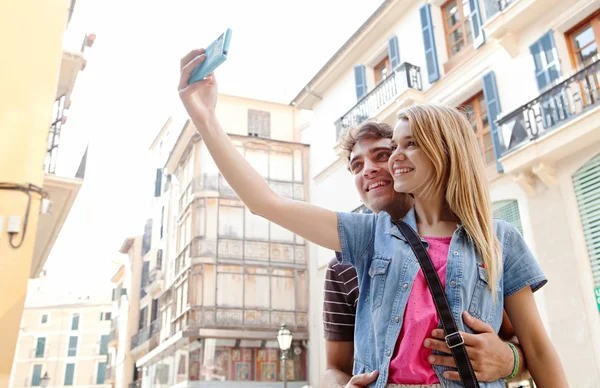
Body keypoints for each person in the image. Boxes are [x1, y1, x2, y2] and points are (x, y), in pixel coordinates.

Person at [177, 49, 568, 387]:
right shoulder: (367, 235)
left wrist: (511, 360)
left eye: (407, 145)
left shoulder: (499, 238)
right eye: (393, 146)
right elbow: (266, 203)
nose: (393, 158)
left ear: (446, 151)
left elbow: (537, 348)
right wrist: (205, 118)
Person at [321, 122, 531, 388]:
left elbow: (527, 346)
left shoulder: (484, 243)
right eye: (356, 166)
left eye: (382, 155)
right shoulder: (343, 266)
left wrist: (509, 360)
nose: (368, 170)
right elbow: (333, 369)